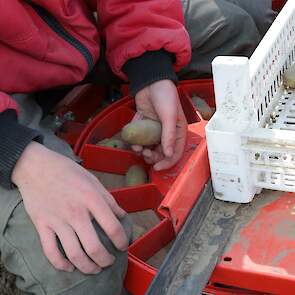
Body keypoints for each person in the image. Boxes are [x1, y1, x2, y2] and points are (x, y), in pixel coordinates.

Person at [0, 0, 276, 294]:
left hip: (64, 40)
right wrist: (18, 154)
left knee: (233, 30)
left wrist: (150, 65)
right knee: (82, 257)